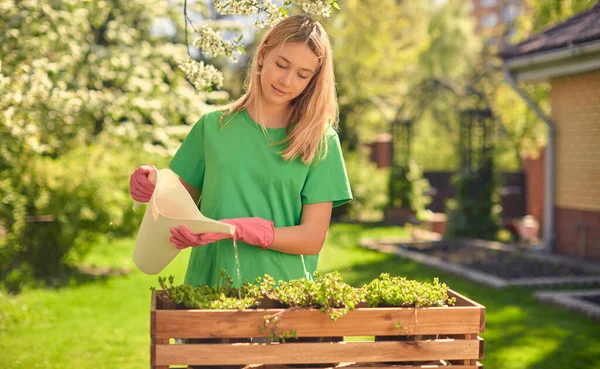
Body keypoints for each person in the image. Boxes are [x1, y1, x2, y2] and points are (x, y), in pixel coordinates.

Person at [129, 15, 352, 290]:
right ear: (263, 54)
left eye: (302, 75)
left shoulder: (320, 141)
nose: (287, 80)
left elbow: (312, 238)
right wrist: (151, 185)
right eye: (282, 64)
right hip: (208, 290)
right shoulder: (213, 127)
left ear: (313, 80)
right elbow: (175, 208)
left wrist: (253, 232)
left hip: (282, 299)